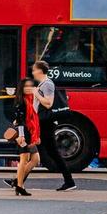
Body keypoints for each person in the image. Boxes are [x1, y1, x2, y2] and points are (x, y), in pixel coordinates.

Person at [29, 61, 78, 191]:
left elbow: (48, 104)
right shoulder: (43, 84)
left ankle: (18, 180)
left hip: (45, 123)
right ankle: (69, 181)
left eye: (34, 70)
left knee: (36, 152)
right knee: (41, 152)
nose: (33, 72)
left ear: (40, 71)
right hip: (42, 123)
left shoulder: (47, 84)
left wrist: (36, 93)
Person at [12, 79, 41, 197]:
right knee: (24, 159)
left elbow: (34, 120)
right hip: (23, 135)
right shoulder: (21, 102)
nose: (29, 88)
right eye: (26, 86)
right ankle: (19, 186)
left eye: (31, 86)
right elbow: (19, 121)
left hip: (30, 133)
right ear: (21, 88)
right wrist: (21, 136)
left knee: (35, 159)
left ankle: (17, 181)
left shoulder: (31, 100)